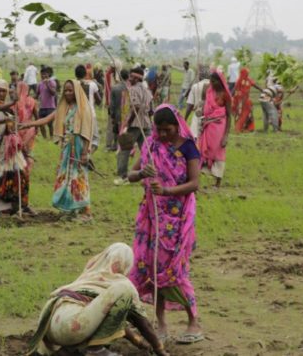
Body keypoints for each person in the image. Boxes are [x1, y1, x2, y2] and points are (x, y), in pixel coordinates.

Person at [127, 105, 203, 344]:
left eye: (167, 130)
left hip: (178, 218)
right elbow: (131, 173)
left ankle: (194, 322)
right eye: (158, 130)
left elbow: (194, 184)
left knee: (176, 269)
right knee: (152, 268)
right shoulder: (151, 145)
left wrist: (167, 190)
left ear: (177, 125)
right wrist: (142, 174)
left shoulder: (188, 147)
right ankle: (160, 324)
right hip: (152, 217)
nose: (162, 135)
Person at [28, 243, 169, 356]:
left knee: (96, 314)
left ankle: (69, 350)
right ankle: (97, 350)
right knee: (124, 292)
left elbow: (109, 318)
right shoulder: (121, 283)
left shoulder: (90, 275)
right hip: (72, 326)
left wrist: (139, 342)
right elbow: (143, 323)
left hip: (50, 328)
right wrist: (159, 348)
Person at [20, 80, 93, 220]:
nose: (67, 93)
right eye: (65, 90)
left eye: (70, 90)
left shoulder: (83, 108)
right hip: (66, 148)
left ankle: (86, 211)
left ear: (77, 91)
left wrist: (84, 152)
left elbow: (87, 131)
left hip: (78, 146)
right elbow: (47, 119)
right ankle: (71, 210)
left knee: (79, 177)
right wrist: (28, 124)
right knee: (67, 177)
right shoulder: (63, 108)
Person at [0, 80, 31, 216]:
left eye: (3, 91)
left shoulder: (10, 109)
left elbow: (14, 126)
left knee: (20, 173)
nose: (0, 93)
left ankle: (19, 205)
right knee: (0, 176)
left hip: (11, 147)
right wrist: (12, 102)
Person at [114, 68, 153, 185]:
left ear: (136, 78)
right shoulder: (147, 91)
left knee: (124, 150)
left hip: (134, 124)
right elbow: (151, 110)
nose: (129, 79)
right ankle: (153, 174)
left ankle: (123, 177)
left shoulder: (133, 89)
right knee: (148, 151)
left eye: (131, 77)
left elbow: (135, 107)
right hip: (146, 124)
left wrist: (128, 125)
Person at [199, 72, 232, 187]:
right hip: (208, 125)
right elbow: (204, 105)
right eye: (211, 81)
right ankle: (200, 175)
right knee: (204, 149)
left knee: (218, 152)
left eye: (214, 81)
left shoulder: (225, 95)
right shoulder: (209, 91)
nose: (212, 84)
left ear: (220, 81)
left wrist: (226, 136)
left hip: (219, 127)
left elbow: (229, 115)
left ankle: (218, 181)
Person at [15, 81, 39, 173]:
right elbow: (37, 116)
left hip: (18, 129)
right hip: (29, 130)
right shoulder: (32, 101)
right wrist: (36, 128)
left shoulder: (15, 102)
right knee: (28, 152)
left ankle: (20, 170)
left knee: (18, 151)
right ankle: (26, 171)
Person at [76, 64, 101, 152]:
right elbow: (99, 101)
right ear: (85, 74)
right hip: (90, 114)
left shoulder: (74, 84)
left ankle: (81, 154)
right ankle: (87, 155)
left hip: (77, 114)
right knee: (95, 139)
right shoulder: (92, 84)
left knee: (80, 137)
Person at [184, 67, 211, 140]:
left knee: (195, 138)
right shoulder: (213, 86)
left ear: (200, 76)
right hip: (211, 118)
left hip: (197, 116)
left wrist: (185, 119)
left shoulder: (195, 86)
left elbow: (190, 105)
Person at [106, 70, 128, 151]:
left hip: (117, 113)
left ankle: (115, 145)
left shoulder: (115, 88)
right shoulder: (130, 87)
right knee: (126, 130)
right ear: (128, 77)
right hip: (127, 114)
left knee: (116, 130)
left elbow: (112, 104)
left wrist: (112, 114)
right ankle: (124, 146)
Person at [231, 67, 256, 133]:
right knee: (240, 114)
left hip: (246, 100)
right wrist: (230, 96)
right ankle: (239, 128)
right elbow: (234, 89)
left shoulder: (249, 80)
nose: (247, 74)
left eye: (248, 73)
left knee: (247, 114)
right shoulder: (239, 80)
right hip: (239, 100)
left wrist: (262, 90)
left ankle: (247, 127)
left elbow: (255, 85)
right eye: (246, 73)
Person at [37, 67, 57, 138]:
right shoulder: (40, 84)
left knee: (50, 124)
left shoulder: (52, 82)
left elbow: (53, 93)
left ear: (48, 74)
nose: (43, 76)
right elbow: (37, 94)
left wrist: (47, 85)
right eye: (42, 74)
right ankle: (45, 138)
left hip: (50, 107)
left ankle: (51, 137)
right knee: (40, 123)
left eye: (45, 74)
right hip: (42, 107)